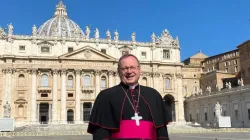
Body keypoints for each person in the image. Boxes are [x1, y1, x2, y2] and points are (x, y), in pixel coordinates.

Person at [87, 54, 170, 140]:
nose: (129, 71)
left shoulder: (154, 95)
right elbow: (100, 133)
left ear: (139, 69)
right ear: (119, 71)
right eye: (124, 68)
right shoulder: (105, 96)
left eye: (132, 67)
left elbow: (162, 132)